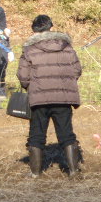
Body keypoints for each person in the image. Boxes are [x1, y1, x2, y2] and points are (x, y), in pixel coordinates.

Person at [17, 15, 83, 177]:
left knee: (37, 134)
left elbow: (23, 76)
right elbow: (77, 71)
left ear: (34, 30)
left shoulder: (29, 50)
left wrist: (30, 88)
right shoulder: (67, 47)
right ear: (51, 27)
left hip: (39, 99)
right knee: (66, 133)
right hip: (63, 98)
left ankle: (35, 173)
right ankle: (73, 171)